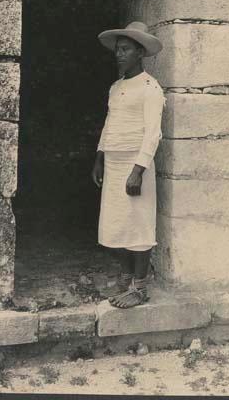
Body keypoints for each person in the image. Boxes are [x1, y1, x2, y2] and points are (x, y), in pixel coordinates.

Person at [92, 21, 165, 309]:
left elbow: (152, 133)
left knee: (139, 222)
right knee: (118, 221)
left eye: (126, 50)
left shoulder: (150, 88)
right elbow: (110, 124)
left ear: (140, 53)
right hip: (114, 160)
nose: (119, 54)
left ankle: (140, 286)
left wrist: (138, 171)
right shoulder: (116, 87)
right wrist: (100, 157)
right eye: (118, 50)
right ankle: (125, 276)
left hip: (137, 163)